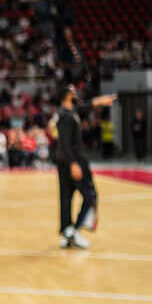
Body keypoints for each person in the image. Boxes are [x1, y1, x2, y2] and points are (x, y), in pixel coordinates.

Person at [55, 84, 115, 250]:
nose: (76, 94)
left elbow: (85, 106)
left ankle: (67, 231)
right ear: (67, 95)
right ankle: (75, 230)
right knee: (90, 196)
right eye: (73, 92)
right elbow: (65, 143)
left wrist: (101, 100)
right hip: (73, 161)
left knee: (66, 196)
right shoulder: (66, 116)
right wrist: (74, 163)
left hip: (64, 161)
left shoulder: (68, 111)